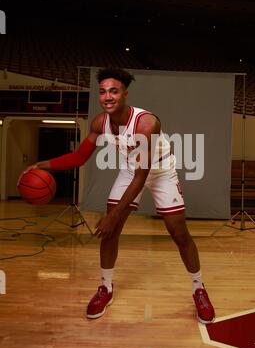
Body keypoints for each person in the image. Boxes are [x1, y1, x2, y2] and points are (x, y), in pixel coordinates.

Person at [19, 67, 215, 324]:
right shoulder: (100, 122)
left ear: (124, 94)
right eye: (102, 92)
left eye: (113, 91)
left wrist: (113, 214)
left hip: (159, 171)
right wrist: (42, 165)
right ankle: (105, 287)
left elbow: (142, 176)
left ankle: (198, 288)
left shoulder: (146, 124)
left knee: (178, 232)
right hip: (130, 170)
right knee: (109, 231)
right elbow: (79, 157)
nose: (107, 96)